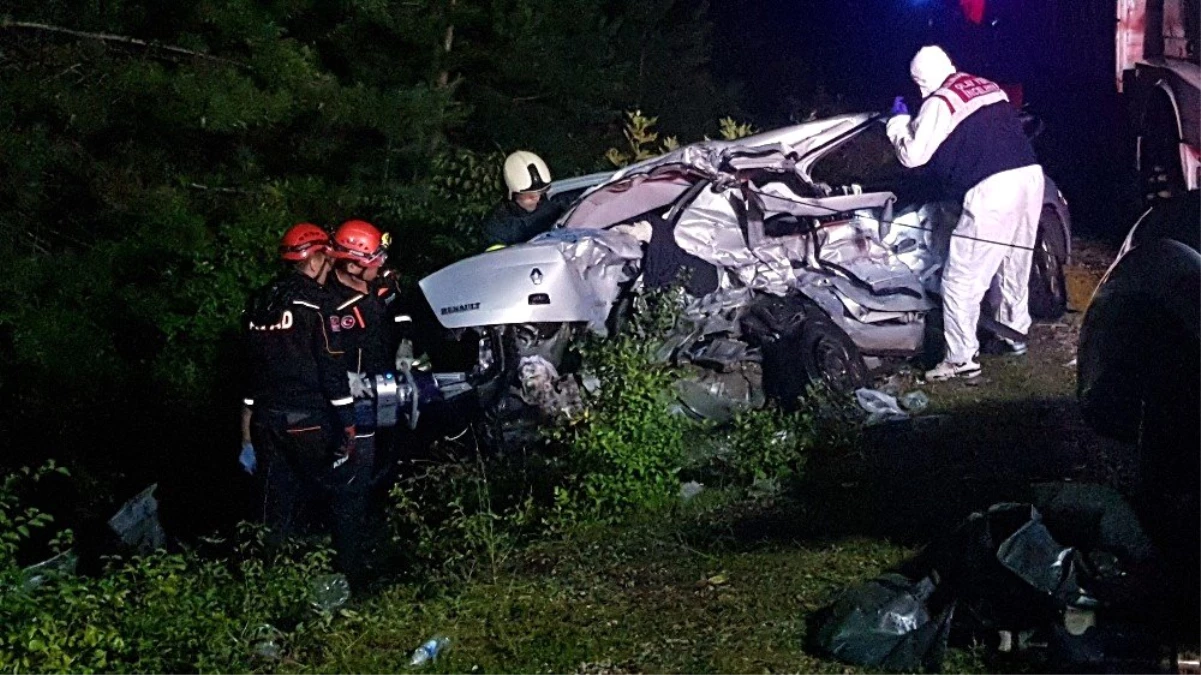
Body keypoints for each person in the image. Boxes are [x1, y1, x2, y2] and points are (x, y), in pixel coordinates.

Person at [886, 45, 1043, 381]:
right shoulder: (986, 86)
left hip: (993, 189)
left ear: (921, 81)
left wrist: (898, 124)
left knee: (960, 280)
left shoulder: (939, 101)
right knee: (1013, 262)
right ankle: (1012, 334)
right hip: (1030, 176)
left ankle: (960, 359)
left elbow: (913, 156)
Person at [241, 222, 371, 583]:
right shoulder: (318, 305)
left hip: (265, 421)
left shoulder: (259, 303)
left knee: (274, 509)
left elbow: (250, 372)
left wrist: (246, 429)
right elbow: (332, 368)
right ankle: (346, 579)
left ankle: (270, 584)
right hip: (310, 420)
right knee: (339, 496)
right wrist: (347, 421)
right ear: (314, 261)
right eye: (327, 262)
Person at [326, 219, 407, 492]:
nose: (381, 264)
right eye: (374, 259)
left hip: (391, 387)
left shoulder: (383, 286)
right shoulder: (333, 306)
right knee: (358, 472)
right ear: (352, 266)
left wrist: (406, 343)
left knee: (391, 454)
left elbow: (403, 319)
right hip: (357, 401)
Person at [482, 150, 573, 248]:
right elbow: (499, 259)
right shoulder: (497, 226)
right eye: (530, 196)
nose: (537, 199)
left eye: (540, 193)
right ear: (511, 194)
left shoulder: (555, 206)